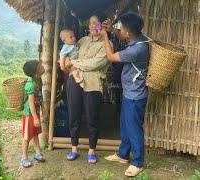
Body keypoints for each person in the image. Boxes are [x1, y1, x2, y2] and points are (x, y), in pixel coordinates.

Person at [100, 12, 150, 177]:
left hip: (135, 96)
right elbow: (123, 35)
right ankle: (123, 155)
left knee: (134, 128)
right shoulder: (139, 38)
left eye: (121, 29)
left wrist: (105, 36)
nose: (119, 30)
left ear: (128, 33)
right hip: (130, 92)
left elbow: (111, 56)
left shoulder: (137, 49)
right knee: (126, 125)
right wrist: (112, 30)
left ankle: (138, 162)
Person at [65, 15, 109, 164]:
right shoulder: (82, 41)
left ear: (102, 26)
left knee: (92, 117)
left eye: (96, 23)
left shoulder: (106, 45)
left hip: (92, 84)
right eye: (90, 23)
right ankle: (74, 148)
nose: (92, 26)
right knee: (73, 115)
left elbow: (96, 64)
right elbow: (69, 55)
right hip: (74, 82)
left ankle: (91, 150)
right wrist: (69, 62)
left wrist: (75, 63)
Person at [20, 60, 46, 168]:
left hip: (35, 113)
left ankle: (37, 152)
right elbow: (31, 103)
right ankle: (24, 157)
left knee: (35, 133)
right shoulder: (30, 84)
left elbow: (40, 97)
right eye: (40, 66)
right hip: (29, 114)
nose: (42, 66)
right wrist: (35, 118)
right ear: (35, 71)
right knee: (27, 136)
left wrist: (43, 109)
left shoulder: (38, 80)